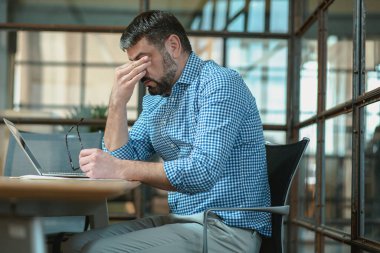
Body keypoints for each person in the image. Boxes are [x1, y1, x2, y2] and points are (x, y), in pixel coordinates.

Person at [63, 10, 271, 253]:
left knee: (97, 251)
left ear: (173, 45)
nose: (138, 73)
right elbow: (122, 160)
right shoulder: (158, 99)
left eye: (143, 59)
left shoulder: (219, 83)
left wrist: (118, 167)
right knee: (74, 245)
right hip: (184, 220)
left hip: (227, 229)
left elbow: (202, 172)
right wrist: (117, 102)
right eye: (133, 63)